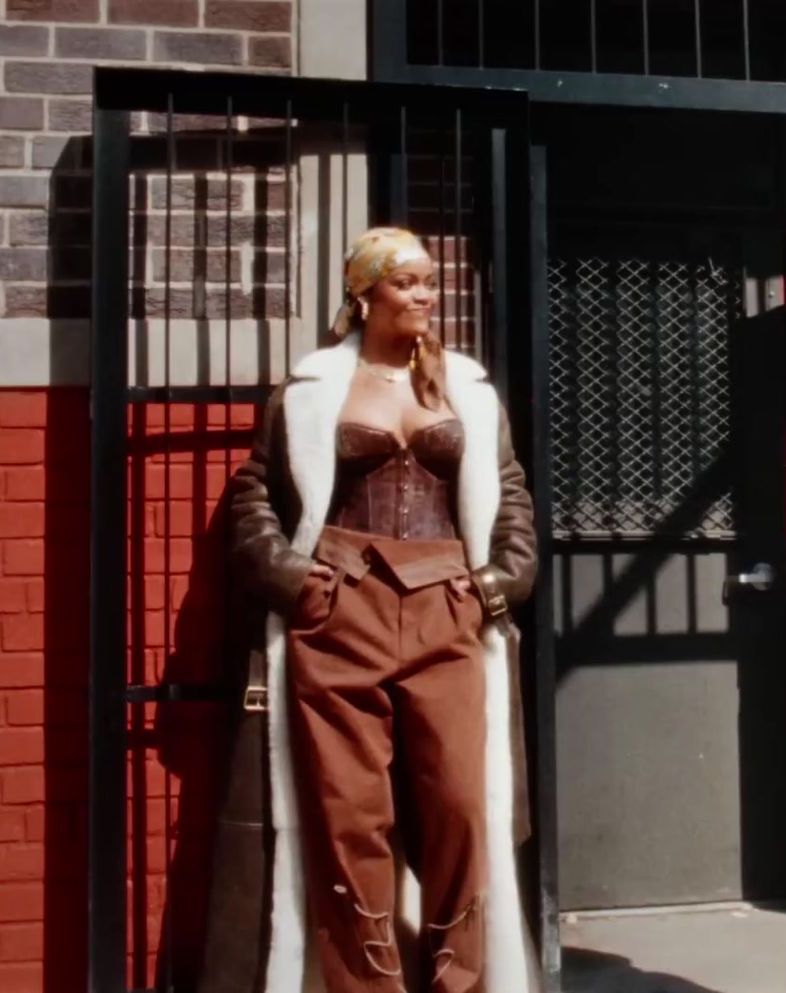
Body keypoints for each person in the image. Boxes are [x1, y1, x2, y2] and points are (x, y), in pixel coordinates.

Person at [202, 227, 538, 993]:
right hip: (339, 604)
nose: (425, 295)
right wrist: (296, 581)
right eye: (407, 282)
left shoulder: (467, 391)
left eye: (428, 282)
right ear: (365, 294)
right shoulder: (311, 391)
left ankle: (459, 980)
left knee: (459, 802)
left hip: (446, 605)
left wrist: (496, 582)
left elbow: (509, 493)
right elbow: (253, 495)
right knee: (350, 815)